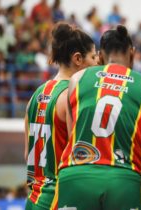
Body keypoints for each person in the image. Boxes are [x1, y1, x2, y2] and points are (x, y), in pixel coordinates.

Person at [57, 25, 141, 210]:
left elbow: (72, 137)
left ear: (100, 56)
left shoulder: (77, 79)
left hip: (76, 176)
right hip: (122, 179)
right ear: (132, 53)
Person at [24, 23, 97, 210]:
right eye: (94, 56)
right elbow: (80, 158)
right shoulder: (72, 97)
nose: (98, 62)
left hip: (34, 200)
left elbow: (27, 155)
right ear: (78, 59)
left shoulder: (35, 95)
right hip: (60, 200)